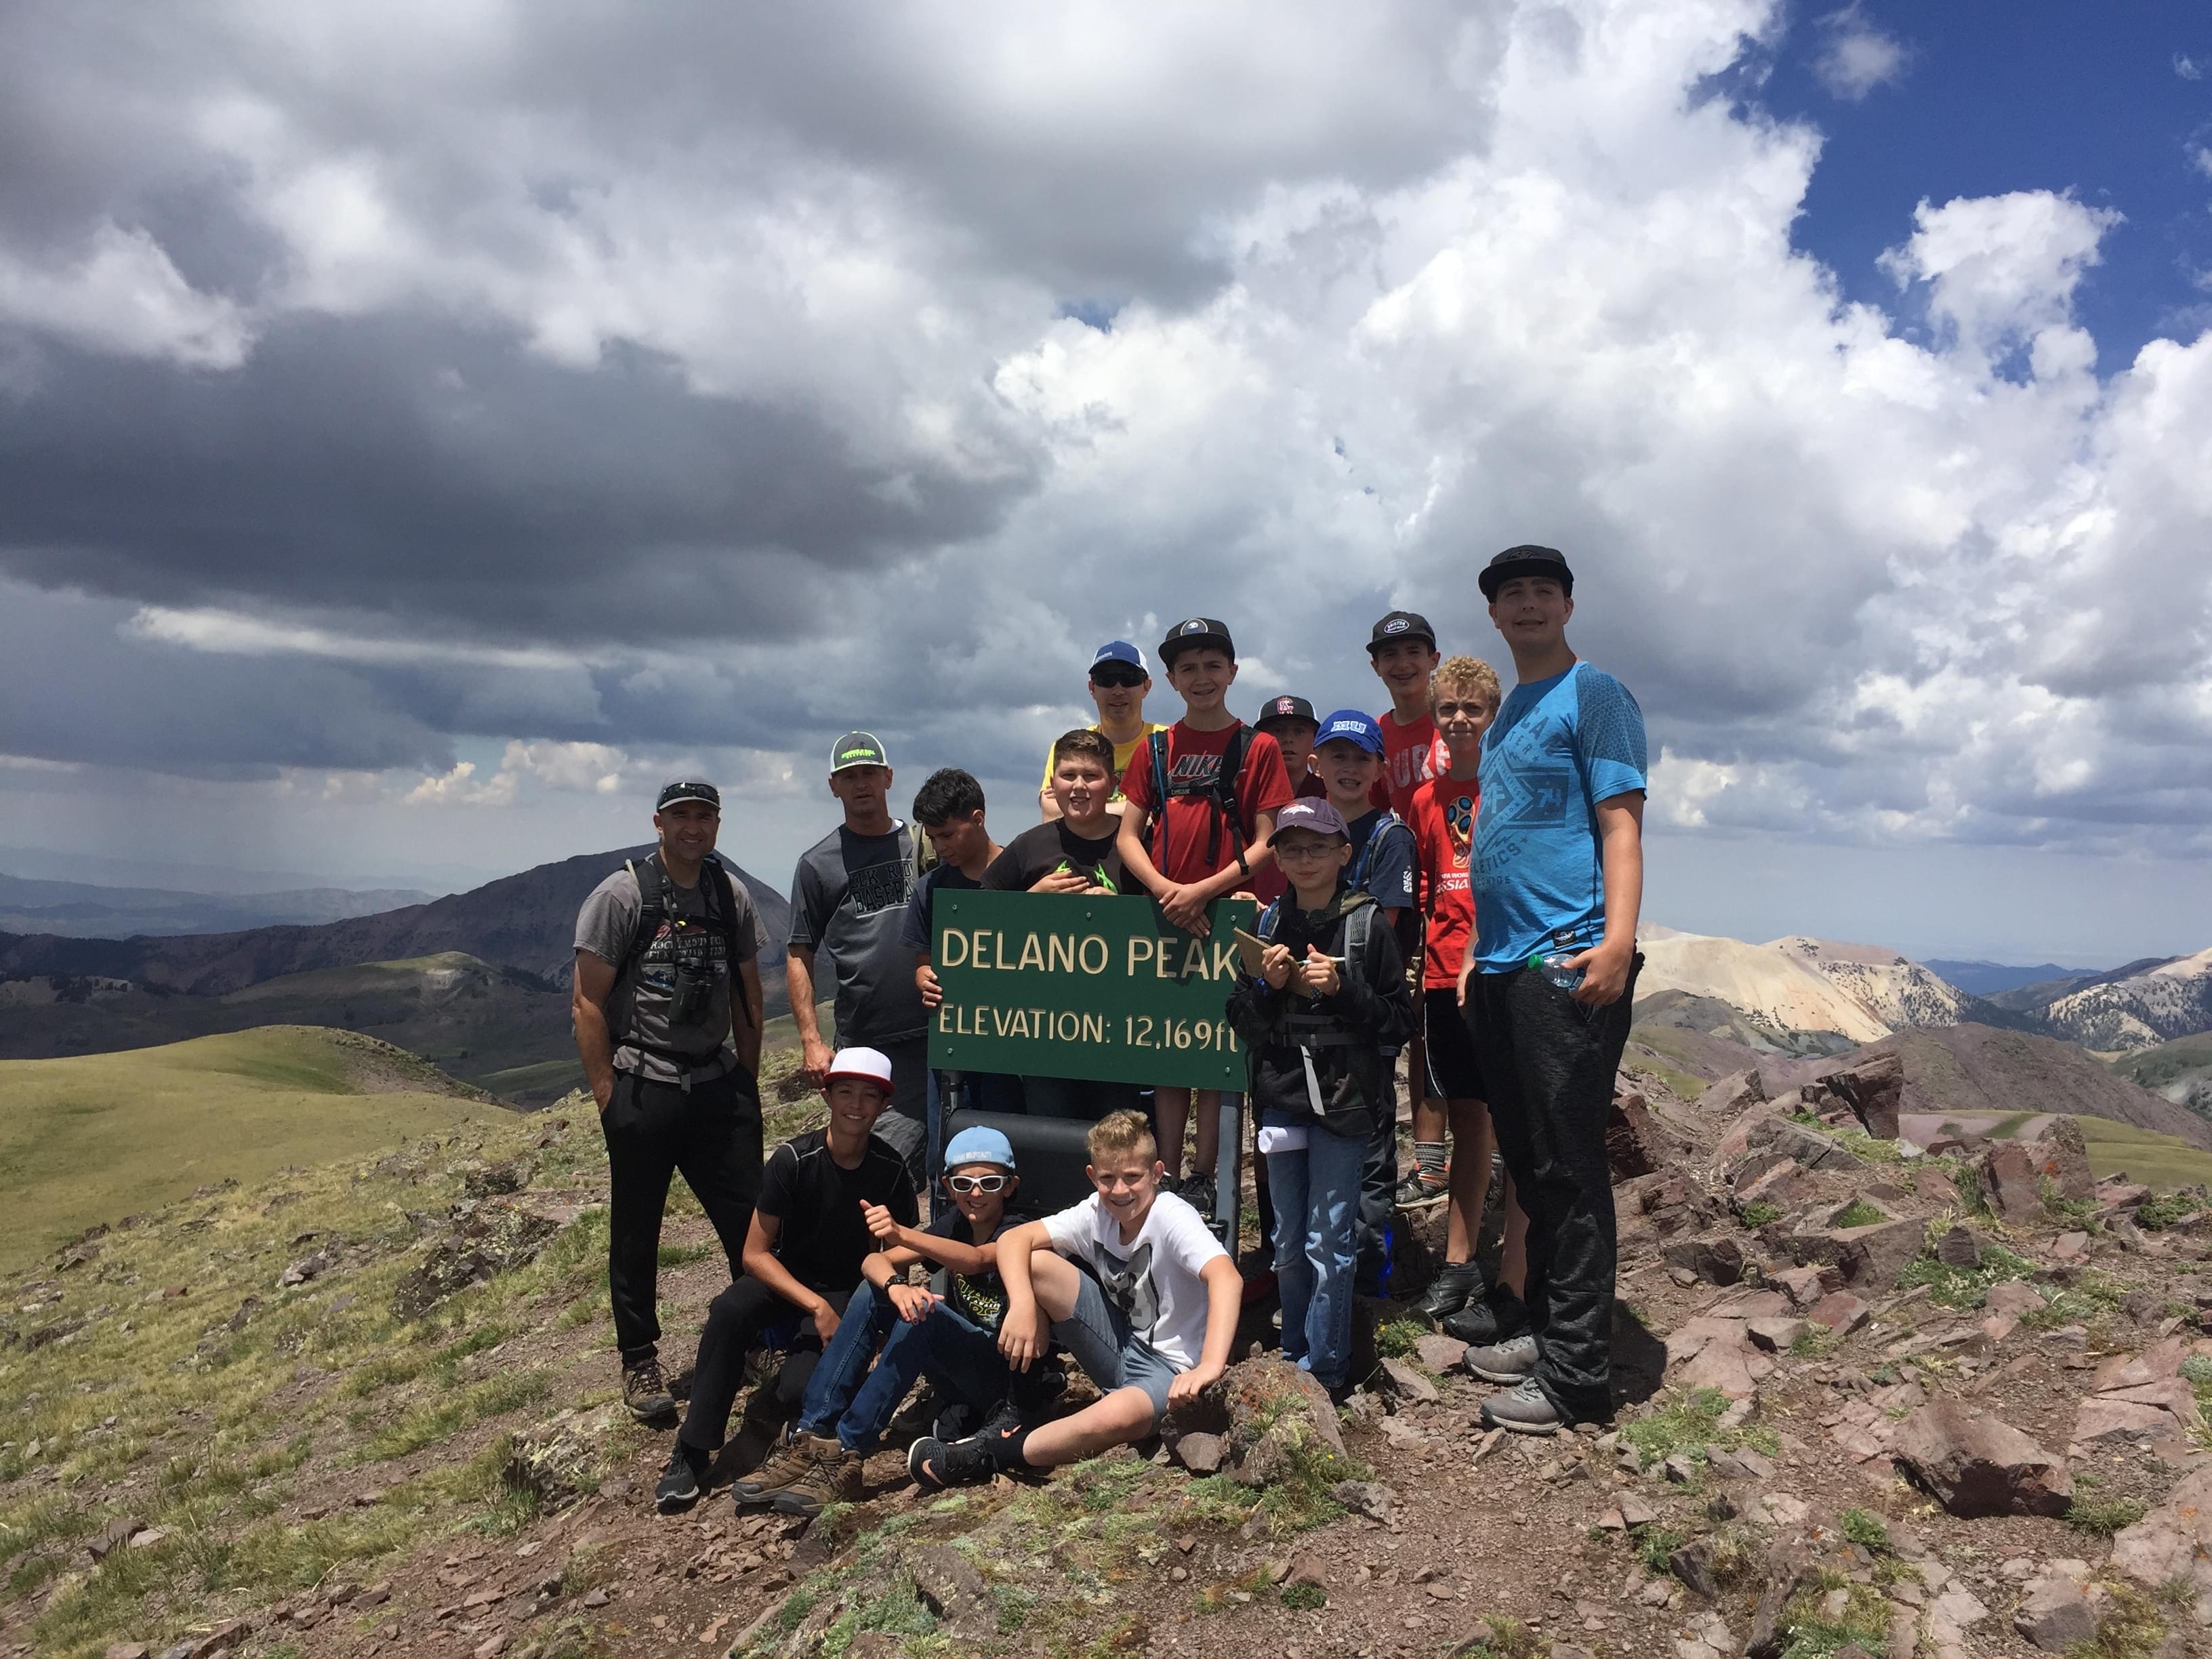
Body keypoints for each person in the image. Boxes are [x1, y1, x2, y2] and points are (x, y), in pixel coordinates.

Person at [1461, 546, 1647, 1436]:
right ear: (1494, 616)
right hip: (1500, 967)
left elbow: (1620, 825)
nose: (1527, 603)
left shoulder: (1595, 693)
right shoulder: (1506, 718)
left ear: (1568, 604)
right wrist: (1472, 952)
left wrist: (1618, 941)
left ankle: (1578, 1379)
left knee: (1569, 1169)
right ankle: (1548, 1328)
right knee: (1531, 1165)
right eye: (1511, 594)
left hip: (1567, 957)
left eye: (1543, 590)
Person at [905, 1109, 1242, 1488]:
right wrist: (1022, 1305)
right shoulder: (1096, 1211)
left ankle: (986, 1454)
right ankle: (1022, 1407)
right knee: (1036, 1263)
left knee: (1115, 1419)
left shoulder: (1172, 1216)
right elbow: (1016, 1240)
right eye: (1108, 1179)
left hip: (1174, 1371)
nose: (1120, 1191)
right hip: (1119, 1343)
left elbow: (1226, 1277)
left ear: (1157, 1173)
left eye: (1133, 1178)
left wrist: (1210, 1366)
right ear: (1091, 1176)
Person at [573, 779, 769, 1424]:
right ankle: (639, 1360)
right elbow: (587, 1002)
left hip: (716, 1084)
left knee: (750, 1220)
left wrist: (746, 1078)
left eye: (704, 816)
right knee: (637, 1228)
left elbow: (748, 992)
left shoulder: (727, 893)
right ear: (658, 822)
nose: (693, 827)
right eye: (681, 816)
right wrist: (609, 1096)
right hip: (645, 1083)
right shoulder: (621, 896)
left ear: (717, 823)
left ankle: (760, 1338)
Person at [653, 1047, 918, 1511]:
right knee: (730, 1309)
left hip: (846, 1290)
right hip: (788, 1280)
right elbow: (754, 1254)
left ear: (883, 1105)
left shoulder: (892, 1171)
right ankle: (693, 1448)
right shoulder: (794, 1160)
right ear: (827, 1096)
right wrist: (815, 1307)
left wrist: (874, 1325)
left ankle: (786, 1423)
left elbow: (900, 1256)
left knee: (798, 1390)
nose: (856, 1105)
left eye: (868, 1096)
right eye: (846, 1092)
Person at [727, 1126, 1039, 1519]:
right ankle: (811, 1435)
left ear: (1010, 1187)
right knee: (876, 1291)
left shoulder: (1020, 1230)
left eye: (990, 1182)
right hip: (960, 1371)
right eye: (964, 1182)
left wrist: (901, 1235)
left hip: (1003, 1380)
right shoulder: (952, 1225)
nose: (976, 1193)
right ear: (948, 1185)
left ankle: (847, 1450)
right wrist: (895, 1286)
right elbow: (871, 1261)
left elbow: (975, 1260)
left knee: (921, 1314)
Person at [1226, 800, 1413, 1397]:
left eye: (1317, 848)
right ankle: (1294, 1352)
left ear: (1343, 854)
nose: (1305, 859)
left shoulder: (1368, 926)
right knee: (1286, 1241)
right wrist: (1270, 987)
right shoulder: (1264, 926)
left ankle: (1324, 1372)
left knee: (1327, 1239)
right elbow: (1242, 1021)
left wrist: (1341, 990)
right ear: (1276, 857)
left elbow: (1398, 1023)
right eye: (1292, 849)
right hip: (1283, 1096)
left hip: (1346, 1099)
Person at [1115, 619, 1294, 1195]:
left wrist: (1202, 893)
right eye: (1188, 668)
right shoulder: (1156, 748)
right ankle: (1166, 1174)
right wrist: (1170, 892)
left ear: (1233, 673)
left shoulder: (1257, 746)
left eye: (1213, 666)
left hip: (1226, 915)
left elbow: (1269, 840)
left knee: (1217, 1051)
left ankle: (1207, 1177)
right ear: (1169, 679)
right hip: (1167, 914)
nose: (1201, 678)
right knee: (1171, 1049)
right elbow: (1128, 836)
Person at [1404, 657, 1531, 1336]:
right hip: (1439, 977)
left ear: (1493, 714)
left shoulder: (1510, 786)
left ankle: (1514, 1275)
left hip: (1501, 974)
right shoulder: (1426, 800)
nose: (1459, 719)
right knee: (1467, 1118)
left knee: (1514, 1122)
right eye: (1448, 708)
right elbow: (1427, 889)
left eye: (1472, 709)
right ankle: (1460, 1261)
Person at [1307, 710, 1420, 1295]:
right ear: (1315, 763)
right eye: (1337, 756)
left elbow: (1382, 928)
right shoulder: (1302, 831)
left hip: (1366, 1020)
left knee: (1370, 1155)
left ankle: (1369, 1281)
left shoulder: (1389, 837)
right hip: (1308, 1027)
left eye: (1361, 758)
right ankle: (1314, 1275)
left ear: (1380, 767)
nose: (1348, 768)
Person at [787, 732, 930, 1187]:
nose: (861, 784)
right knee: (876, 1166)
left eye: (870, 773)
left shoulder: (923, 846)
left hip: (937, 1030)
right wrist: (811, 1039)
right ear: (834, 786)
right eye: (850, 776)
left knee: (946, 1163)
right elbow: (798, 950)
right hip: (868, 1040)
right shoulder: (818, 864)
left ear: (888, 777)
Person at [983, 729, 1145, 1120]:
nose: (1078, 787)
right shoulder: (1029, 845)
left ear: (1112, 784)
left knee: (1118, 1142)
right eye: (1067, 775)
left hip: (1119, 1032)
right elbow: (978, 919)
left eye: (1091, 776)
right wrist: (1031, 902)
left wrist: (1124, 914)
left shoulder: (1138, 847)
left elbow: (1167, 920)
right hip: (1044, 1032)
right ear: (1052, 783)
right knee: (1049, 1136)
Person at [903, 769, 1017, 1180]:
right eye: (933, 837)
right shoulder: (930, 888)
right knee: (946, 1151)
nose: (941, 846)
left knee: (1009, 1145)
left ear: (979, 818)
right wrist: (924, 979)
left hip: (1012, 1045)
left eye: (949, 834)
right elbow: (922, 958)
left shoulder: (1023, 873)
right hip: (951, 1047)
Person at [1038, 641, 1168, 821]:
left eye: (1129, 679)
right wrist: (1142, 810)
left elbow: (1171, 816)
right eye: (1106, 680)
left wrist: (1084, 809)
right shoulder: (1071, 746)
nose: (1118, 690)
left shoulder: (1168, 742)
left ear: (1146, 686)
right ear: (1092, 688)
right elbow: (1052, 814)